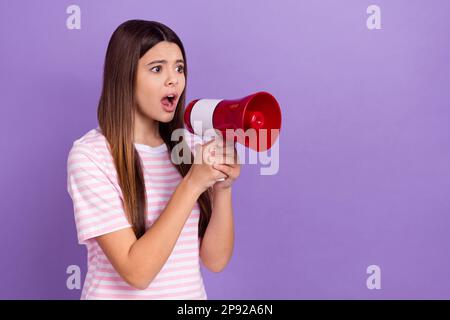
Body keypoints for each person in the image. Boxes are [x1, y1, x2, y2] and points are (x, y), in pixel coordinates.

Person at [66, 19, 240, 299]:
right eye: (157, 68)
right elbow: (137, 272)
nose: (174, 79)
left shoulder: (191, 150)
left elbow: (215, 261)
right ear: (125, 77)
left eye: (179, 68)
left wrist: (223, 189)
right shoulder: (90, 156)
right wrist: (193, 184)